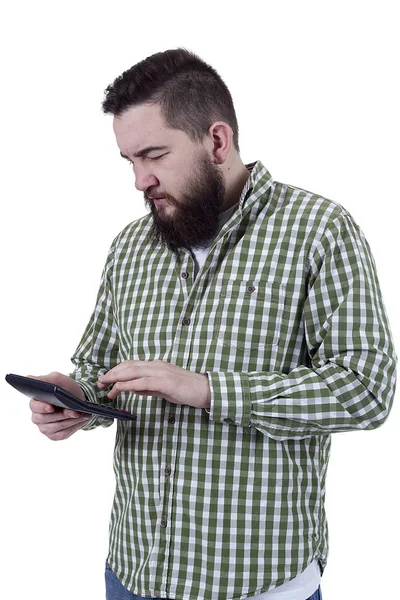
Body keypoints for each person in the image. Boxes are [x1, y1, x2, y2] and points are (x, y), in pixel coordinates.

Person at [29, 48, 397, 600]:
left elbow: (367, 389)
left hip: (260, 586)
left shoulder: (320, 231)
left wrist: (207, 390)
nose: (139, 181)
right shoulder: (130, 247)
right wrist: (76, 398)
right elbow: (100, 364)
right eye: (128, 161)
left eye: (153, 155)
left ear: (217, 142)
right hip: (133, 575)